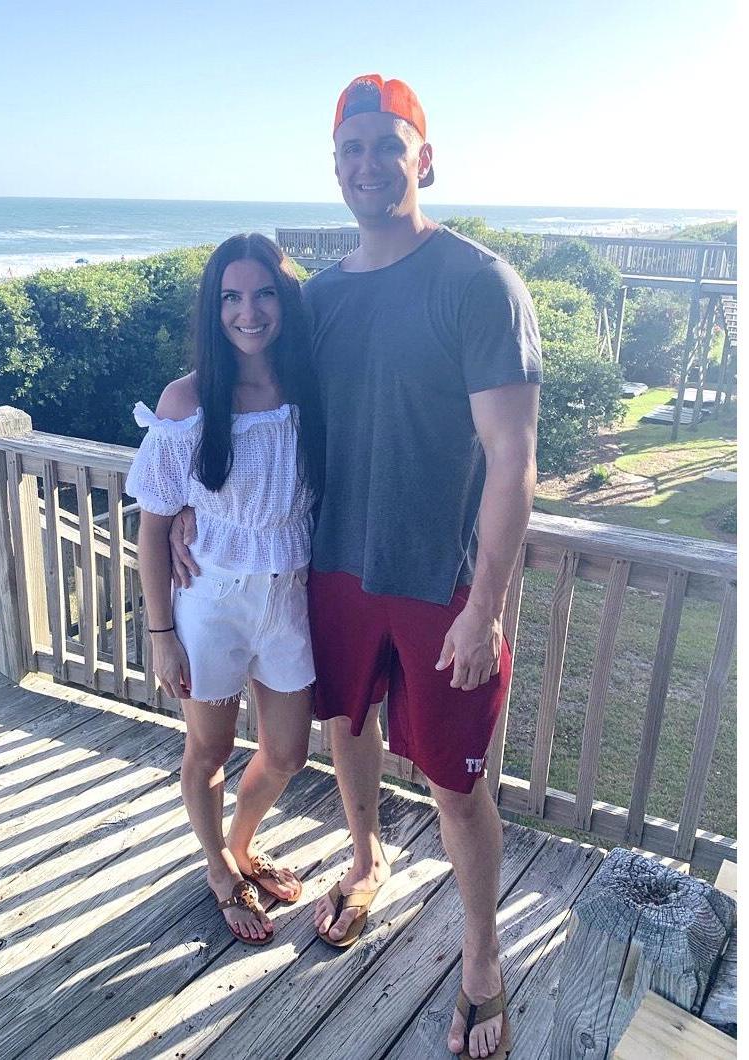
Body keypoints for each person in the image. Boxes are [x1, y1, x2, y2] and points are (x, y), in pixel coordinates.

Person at [172, 75, 540, 1057]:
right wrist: (187, 502)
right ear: (334, 167)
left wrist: (486, 606)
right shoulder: (320, 299)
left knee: (457, 786)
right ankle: (368, 860)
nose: (368, 164)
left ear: (426, 159)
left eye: (387, 145)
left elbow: (512, 457)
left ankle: (481, 959)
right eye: (351, 149)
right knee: (347, 726)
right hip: (329, 569)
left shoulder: (479, 283)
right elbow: (243, 386)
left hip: (440, 585)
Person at [126, 233, 325, 946]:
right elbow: (154, 527)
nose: (249, 312)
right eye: (232, 297)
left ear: (285, 300)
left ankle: (241, 843)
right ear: (213, 308)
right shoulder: (188, 399)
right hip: (210, 602)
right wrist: (160, 634)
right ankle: (218, 867)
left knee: (288, 753)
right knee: (208, 751)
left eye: (264, 293)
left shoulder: (310, 385)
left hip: (289, 599)